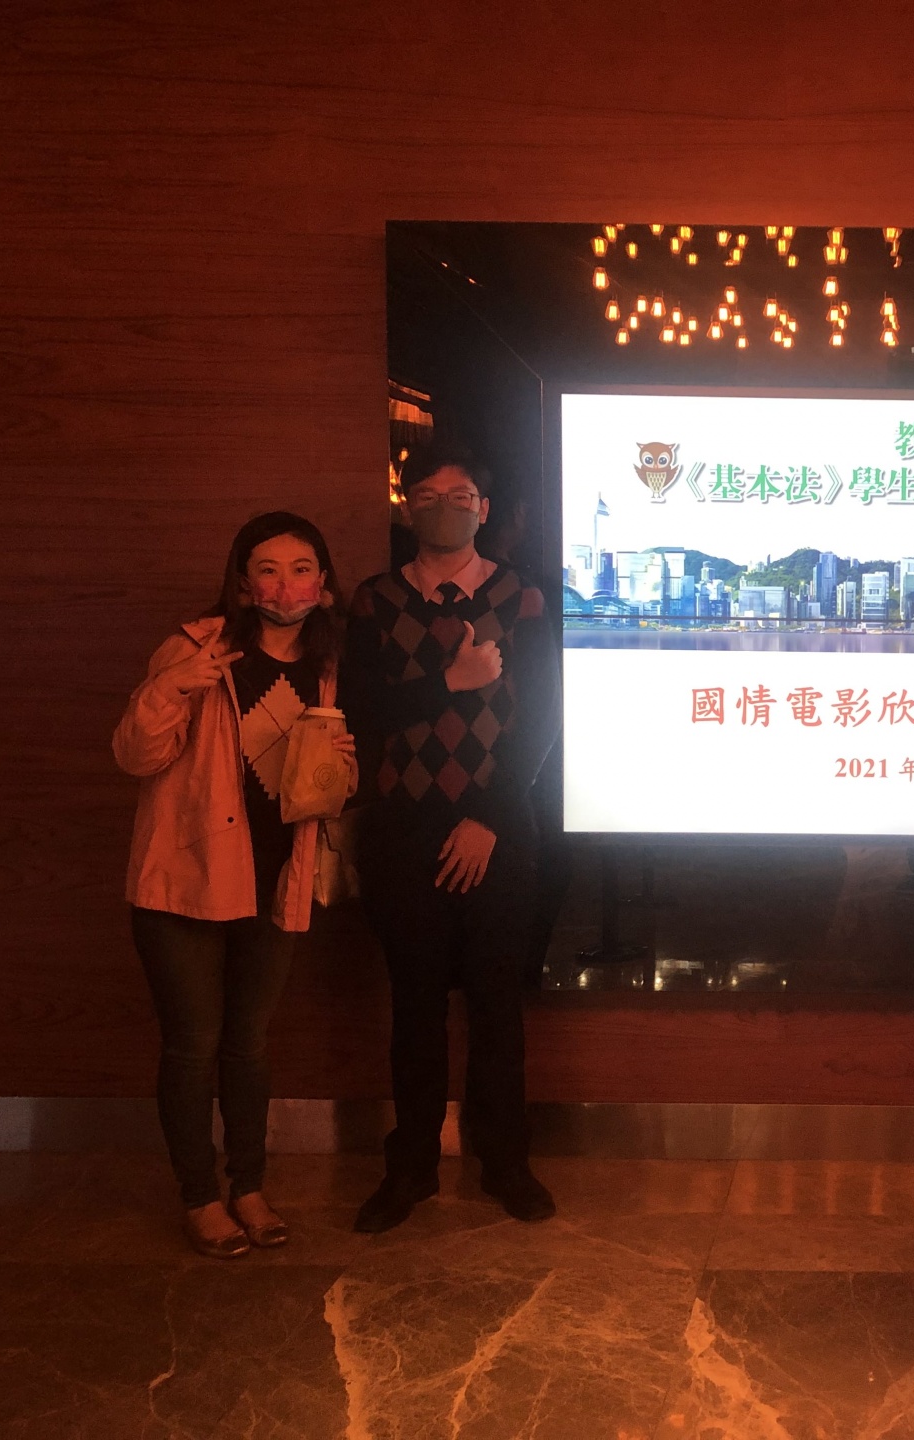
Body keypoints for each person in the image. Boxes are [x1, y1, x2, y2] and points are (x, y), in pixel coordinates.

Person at [113, 512, 356, 1257]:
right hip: (184, 881)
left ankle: (248, 1186)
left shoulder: (329, 664)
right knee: (193, 1046)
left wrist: (340, 768)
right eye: (268, 570)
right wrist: (169, 688)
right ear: (244, 584)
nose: (286, 586)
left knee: (249, 1044)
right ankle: (199, 1197)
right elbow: (134, 756)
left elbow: (324, 791)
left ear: (323, 583)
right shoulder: (197, 650)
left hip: (276, 880)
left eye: (302, 569)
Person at [343, 443, 561, 1232]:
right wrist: (450, 683)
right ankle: (410, 1169)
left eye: (461, 496)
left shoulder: (522, 597)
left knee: (499, 1006)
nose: (445, 508)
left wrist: (488, 818)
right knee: (415, 1007)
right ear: (407, 508)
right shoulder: (374, 601)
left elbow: (542, 718)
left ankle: (505, 1163)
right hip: (401, 831)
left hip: (499, 827)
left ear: (485, 509)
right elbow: (361, 712)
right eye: (428, 496)